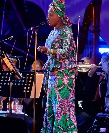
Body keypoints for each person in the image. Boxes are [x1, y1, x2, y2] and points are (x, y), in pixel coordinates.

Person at [37, 0, 78, 132]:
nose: (48, 18)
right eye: (48, 15)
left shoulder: (66, 32)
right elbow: (52, 56)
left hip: (63, 78)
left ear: (59, 16)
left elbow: (66, 52)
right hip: (53, 78)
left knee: (62, 110)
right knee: (52, 109)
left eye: (51, 15)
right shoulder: (52, 32)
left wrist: (49, 51)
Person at [75, 57, 103, 132]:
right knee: (86, 119)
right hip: (77, 109)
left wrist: (93, 79)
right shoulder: (76, 77)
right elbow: (81, 95)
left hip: (91, 108)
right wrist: (76, 77)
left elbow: (92, 97)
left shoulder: (95, 77)